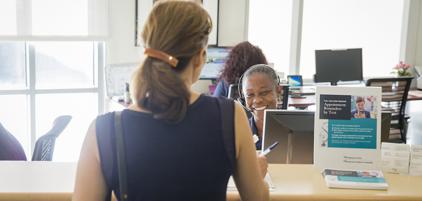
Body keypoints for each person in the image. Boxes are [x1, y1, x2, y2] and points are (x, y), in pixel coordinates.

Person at [73, 1, 269, 201]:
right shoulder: (230, 116)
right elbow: (257, 198)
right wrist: (258, 175)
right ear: (200, 57)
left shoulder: (103, 130)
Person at [241, 64, 282, 150]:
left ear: (278, 91)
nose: (257, 100)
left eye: (264, 93)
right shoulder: (238, 133)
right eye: (250, 95)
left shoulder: (295, 130)